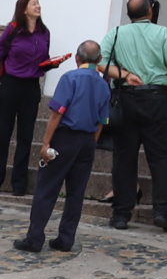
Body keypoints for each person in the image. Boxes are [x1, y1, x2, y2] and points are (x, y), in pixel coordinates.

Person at [105, 0, 167, 232]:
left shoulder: (115, 34)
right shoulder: (163, 33)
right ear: (150, 9)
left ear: (128, 13)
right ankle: (163, 212)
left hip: (125, 99)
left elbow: (100, 63)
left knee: (124, 158)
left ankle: (121, 215)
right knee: (161, 158)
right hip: (155, 100)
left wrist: (124, 74)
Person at [13, 39, 112, 254]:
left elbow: (57, 113)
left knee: (47, 188)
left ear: (77, 58)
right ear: (99, 60)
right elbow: (102, 122)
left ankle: (35, 238)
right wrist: (90, 144)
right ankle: (66, 238)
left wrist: (46, 142)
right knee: (76, 192)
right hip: (87, 141)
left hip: (65, 138)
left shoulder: (70, 78)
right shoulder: (104, 84)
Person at [0, 0, 68, 197]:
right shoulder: (13, 30)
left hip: (31, 87)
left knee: (26, 136)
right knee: (3, 133)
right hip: (10, 85)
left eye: (38, 3)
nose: (38, 6)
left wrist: (51, 64)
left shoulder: (44, 32)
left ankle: (19, 184)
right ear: (23, 9)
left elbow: (42, 60)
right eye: (33, 4)